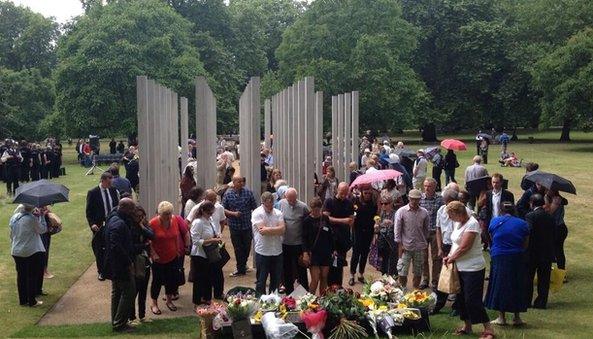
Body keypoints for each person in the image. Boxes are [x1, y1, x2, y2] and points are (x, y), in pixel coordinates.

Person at [443, 201, 494, 339]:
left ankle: (488, 329)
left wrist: (452, 258)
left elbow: (465, 247)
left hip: (473, 268)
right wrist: (449, 256)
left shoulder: (472, 224)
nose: (449, 218)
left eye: (450, 215)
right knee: (461, 298)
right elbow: (456, 243)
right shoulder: (458, 222)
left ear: (458, 213)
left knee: (472, 299)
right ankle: (467, 325)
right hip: (459, 267)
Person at [485, 202, 529, 326]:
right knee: (517, 284)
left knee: (500, 285)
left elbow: (491, 237)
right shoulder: (522, 223)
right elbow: (526, 243)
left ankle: (501, 317)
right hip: (516, 256)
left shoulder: (494, 221)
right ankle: (517, 317)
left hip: (499, 256)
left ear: (501, 210)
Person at [103, 198, 137, 332]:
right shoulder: (119, 223)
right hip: (120, 265)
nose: (133, 211)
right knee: (129, 291)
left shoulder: (113, 217)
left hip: (114, 264)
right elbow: (115, 245)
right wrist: (128, 262)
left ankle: (116, 321)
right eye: (132, 209)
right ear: (125, 208)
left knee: (117, 292)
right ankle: (119, 323)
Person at [86, 172, 120, 281]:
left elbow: (117, 206)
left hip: (112, 222)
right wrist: (92, 224)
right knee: (99, 248)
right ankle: (101, 271)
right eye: (108, 182)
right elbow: (89, 211)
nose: (110, 184)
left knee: (112, 246)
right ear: (102, 180)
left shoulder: (113, 190)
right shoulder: (93, 192)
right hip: (99, 225)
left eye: (111, 182)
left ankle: (111, 269)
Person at [10, 204, 46, 307]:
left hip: (16, 250)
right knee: (31, 276)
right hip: (29, 251)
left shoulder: (14, 217)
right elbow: (42, 229)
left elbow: (12, 234)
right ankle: (32, 301)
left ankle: (23, 300)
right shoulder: (31, 219)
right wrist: (42, 216)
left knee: (21, 276)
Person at [222, 175, 258, 277]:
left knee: (247, 246)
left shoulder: (248, 193)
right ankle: (240, 268)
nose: (241, 183)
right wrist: (233, 214)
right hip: (234, 226)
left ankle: (242, 264)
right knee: (238, 248)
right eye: (239, 182)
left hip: (247, 225)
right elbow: (223, 209)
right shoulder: (228, 194)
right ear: (233, 183)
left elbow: (254, 207)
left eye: (242, 182)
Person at [149, 201, 180, 314]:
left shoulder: (174, 220)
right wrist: (153, 254)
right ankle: (154, 303)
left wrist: (177, 250)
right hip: (158, 258)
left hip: (172, 256)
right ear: (159, 213)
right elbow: (148, 241)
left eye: (169, 213)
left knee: (171, 279)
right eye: (165, 214)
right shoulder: (152, 223)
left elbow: (175, 236)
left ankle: (169, 300)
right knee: (157, 281)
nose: (168, 216)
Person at [525, 194, 556, 309]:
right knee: (544, 279)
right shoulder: (550, 217)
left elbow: (528, 232)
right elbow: (554, 234)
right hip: (546, 253)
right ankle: (541, 302)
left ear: (532, 203)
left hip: (532, 252)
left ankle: (526, 300)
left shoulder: (530, 216)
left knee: (528, 278)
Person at [394, 189, 429, 288]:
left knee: (418, 271)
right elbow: (397, 230)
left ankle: (415, 292)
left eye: (417, 199)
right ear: (409, 198)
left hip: (419, 247)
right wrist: (400, 245)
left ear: (420, 200)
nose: (414, 201)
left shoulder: (424, 212)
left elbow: (426, 230)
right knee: (402, 271)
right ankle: (403, 290)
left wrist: (424, 242)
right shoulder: (401, 211)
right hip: (405, 246)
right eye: (412, 199)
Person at [251, 192, 285, 294]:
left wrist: (269, 229)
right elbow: (262, 232)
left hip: (277, 251)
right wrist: (276, 229)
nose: (270, 207)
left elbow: (282, 230)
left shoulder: (278, 213)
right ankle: (260, 300)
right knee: (261, 280)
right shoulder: (257, 213)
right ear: (263, 203)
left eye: (271, 205)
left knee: (276, 279)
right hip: (263, 252)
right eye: (267, 205)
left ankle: (273, 299)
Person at [190, 201, 223, 305]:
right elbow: (195, 241)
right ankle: (197, 300)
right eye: (209, 213)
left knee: (208, 277)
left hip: (210, 253)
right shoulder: (198, 222)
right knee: (199, 278)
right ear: (203, 211)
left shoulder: (210, 220)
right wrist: (212, 240)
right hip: (199, 255)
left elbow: (214, 232)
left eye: (211, 213)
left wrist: (217, 236)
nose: (210, 215)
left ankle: (207, 298)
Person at [278, 188, 309, 294]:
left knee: (301, 270)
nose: (291, 202)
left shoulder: (303, 207)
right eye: (289, 200)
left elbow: (307, 223)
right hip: (285, 243)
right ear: (285, 197)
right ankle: (289, 292)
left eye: (293, 200)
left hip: (298, 243)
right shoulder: (280, 204)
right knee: (286, 269)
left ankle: (304, 293)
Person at [323, 182, 354, 286]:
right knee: (330, 265)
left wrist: (349, 221)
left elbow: (351, 219)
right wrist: (342, 221)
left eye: (346, 193)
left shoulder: (349, 203)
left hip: (343, 239)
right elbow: (326, 218)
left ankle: (338, 287)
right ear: (337, 190)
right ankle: (329, 288)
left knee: (339, 265)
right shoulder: (329, 202)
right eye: (342, 193)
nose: (343, 196)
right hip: (330, 238)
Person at [303, 197, 333, 295]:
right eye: (314, 210)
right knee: (315, 279)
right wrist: (305, 253)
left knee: (324, 277)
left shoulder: (325, 218)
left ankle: (323, 299)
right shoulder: (307, 220)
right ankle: (310, 299)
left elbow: (330, 235)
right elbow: (304, 238)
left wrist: (333, 250)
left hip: (326, 252)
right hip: (314, 253)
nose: (316, 212)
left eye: (318, 210)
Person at [129, 205, 154, 324]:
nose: (139, 218)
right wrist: (144, 245)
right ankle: (132, 317)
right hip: (135, 262)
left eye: (141, 216)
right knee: (134, 291)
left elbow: (152, 236)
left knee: (143, 290)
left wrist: (142, 226)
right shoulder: (129, 228)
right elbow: (131, 247)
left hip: (144, 261)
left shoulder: (143, 226)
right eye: (137, 216)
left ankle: (142, 315)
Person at [349, 186, 377, 285]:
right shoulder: (356, 201)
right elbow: (351, 213)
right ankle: (352, 274)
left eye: (369, 193)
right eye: (365, 193)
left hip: (368, 231)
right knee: (356, 253)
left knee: (365, 253)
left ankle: (361, 274)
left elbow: (376, 216)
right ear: (362, 192)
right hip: (358, 231)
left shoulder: (374, 203)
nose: (367, 195)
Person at [419, 178, 444, 290]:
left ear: (434, 187)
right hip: (423, 233)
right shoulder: (420, 199)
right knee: (423, 257)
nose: (427, 188)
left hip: (435, 232)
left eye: (429, 186)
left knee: (436, 258)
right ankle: (425, 279)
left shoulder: (440, 200)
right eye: (425, 186)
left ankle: (435, 280)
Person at [546, 189, 569, 272]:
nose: (546, 191)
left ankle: (561, 272)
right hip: (559, 228)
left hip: (558, 228)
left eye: (548, 189)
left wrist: (546, 200)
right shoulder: (556, 198)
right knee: (556, 251)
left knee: (558, 251)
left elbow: (548, 213)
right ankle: (559, 270)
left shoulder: (556, 200)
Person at [375, 194, 398, 276]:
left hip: (392, 242)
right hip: (382, 241)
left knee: (392, 262)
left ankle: (392, 279)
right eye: (382, 203)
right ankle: (384, 277)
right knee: (383, 263)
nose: (383, 205)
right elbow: (378, 229)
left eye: (386, 203)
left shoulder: (396, 213)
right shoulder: (381, 214)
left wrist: (391, 223)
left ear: (391, 203)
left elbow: (399, 226)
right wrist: (377, 227)